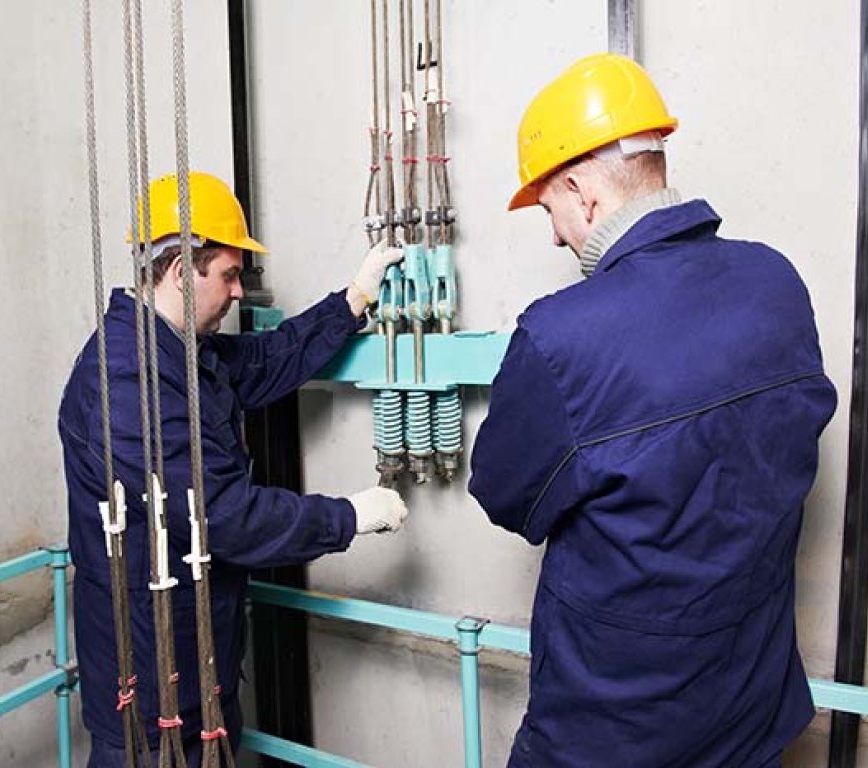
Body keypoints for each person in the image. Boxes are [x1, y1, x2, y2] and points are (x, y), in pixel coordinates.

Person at [468, 53, 836, 768]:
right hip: (752, 714)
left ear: (581, 191)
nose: (553, 236)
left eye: (549, 209)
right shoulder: (777, 280)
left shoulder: (560, 336)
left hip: (614, 730)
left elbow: (504, 496)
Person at [59, 170, 408, 767]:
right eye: (228, 274)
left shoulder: (182, 355)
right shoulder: (126, 382)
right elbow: (221, 516)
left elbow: (267, 360)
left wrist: (354, 301)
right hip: (150, 692)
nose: (240, 292)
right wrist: (348, 517)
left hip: (202, 664)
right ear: (178, 272)